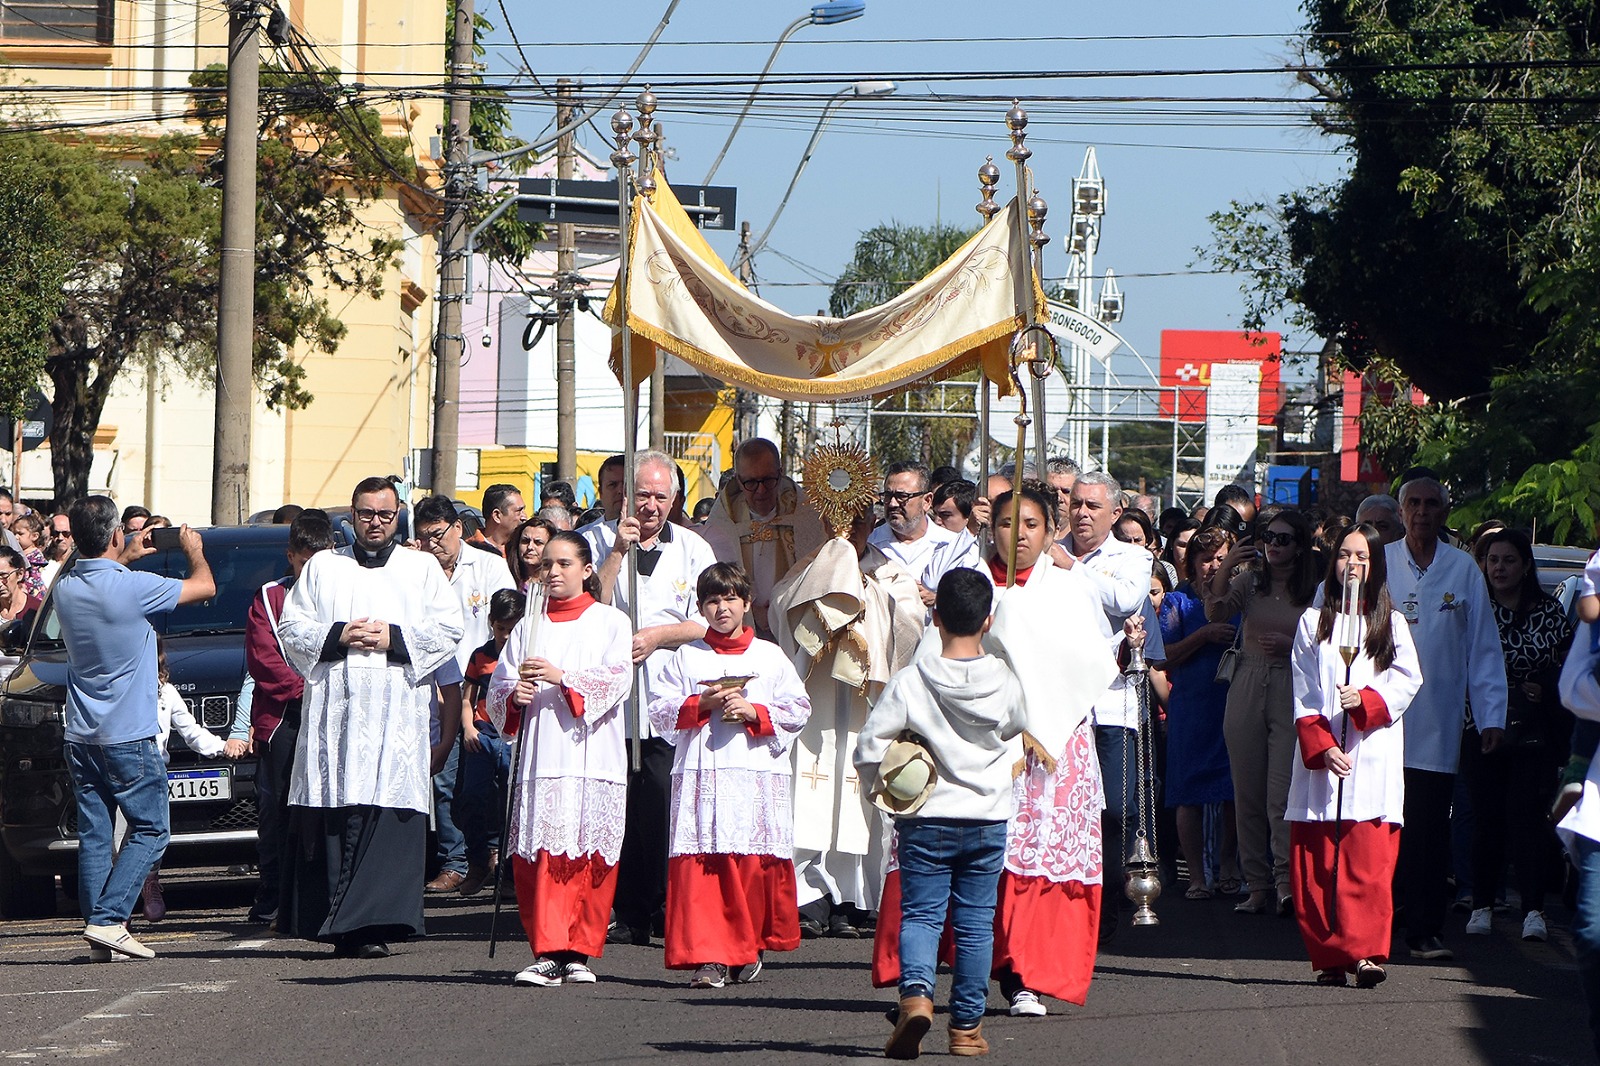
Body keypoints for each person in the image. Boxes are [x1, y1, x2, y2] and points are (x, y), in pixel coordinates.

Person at [277, 477, 465, 959]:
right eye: (366, 514)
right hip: (335, 716)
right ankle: (335, 926)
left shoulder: (421, 568)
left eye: (385, 514)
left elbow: (449, 627)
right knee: (337, 806)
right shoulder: (323, 566)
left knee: (384, 806)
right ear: (352, 515)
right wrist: (339, 634)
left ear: (398, 514)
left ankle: (373, 923)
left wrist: (393, 640)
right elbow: (292, 626)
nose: (375, 523)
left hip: (395, 715)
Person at [857, 568, 1027, 1059]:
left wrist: (885, 789)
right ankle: (967, 1030)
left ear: (935, 617)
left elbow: (871, 746)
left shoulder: (913, 680)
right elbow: (1018, 726)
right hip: (986, 816)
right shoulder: (1006, 680)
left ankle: (916, 997)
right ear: (988, 620)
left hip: (927, 816)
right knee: (976, 922)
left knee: (922, 916)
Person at [55, 496, 215, 960]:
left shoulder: (66, 587)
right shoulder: (132, 587)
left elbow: (85, 566)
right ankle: (109, 920)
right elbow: (204, 586)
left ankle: (97, 927)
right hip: (128, 734)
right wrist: (192, 549)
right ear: (113, 535)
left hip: (82, 733)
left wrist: (120, 553)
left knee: (96, 834)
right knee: (151, 830)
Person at [984, 484, 1118, 1017]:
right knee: (992, 860)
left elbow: (1090, 662)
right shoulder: (969, 584)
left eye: (1032, 525)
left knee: (1041, 859)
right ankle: (984, 964)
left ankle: (1030, 975)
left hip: (1053, 747)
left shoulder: (1067, 587)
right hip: (989, 743)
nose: (1018, 535)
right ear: (989, 529)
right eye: (1007, 524)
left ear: (1048, 531)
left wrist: (1045, 711)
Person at [646, 563, 811, 989]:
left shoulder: (770, 656)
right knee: (705, 868)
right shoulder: (687, 656)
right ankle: (711, 957)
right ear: (701, 607)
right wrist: (701, 704)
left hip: (753, 773)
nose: (722, 609)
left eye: (730, 600)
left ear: (745, 602)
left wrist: (755, 712)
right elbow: (658, 711)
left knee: (749, 866)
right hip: (702, 774)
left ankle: (748, 946)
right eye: (712, 601)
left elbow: (799, 708)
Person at [772, 504, 925, 939]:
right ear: (822, 521)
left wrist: (860, 596)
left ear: (872, 523)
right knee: (810, 793)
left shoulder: (890, 575)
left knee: (862, 797)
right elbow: (780, 614)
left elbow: (909, 623)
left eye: (856, 521)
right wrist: (827, 593)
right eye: (835, 520)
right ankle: (808, 894)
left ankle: (857, 899)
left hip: (866, 705)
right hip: (817, 700)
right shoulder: (805, 570)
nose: (845, 529)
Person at [487, 531, 633, 987]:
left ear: (587, 570)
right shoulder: (528, 626)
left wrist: (561, 677)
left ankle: (580, 952)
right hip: (543, 752)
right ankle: (548, 950)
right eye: (546, 564)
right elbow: (498, 691)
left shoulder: (611, 621)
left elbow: (616, 680)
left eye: (564, 563)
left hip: (594, 753)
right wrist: (515, 695)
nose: (552, 572)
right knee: (543, 852)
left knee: (592, 851)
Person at [586, 451, 719, 946]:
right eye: (643, 495)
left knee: (664, 798)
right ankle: (625, 908)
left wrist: (661, 634)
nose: (651, 506)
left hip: (669, 688)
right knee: (617, 800)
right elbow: (589, 606)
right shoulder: (594, 541)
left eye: (662, 497)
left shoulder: (692, 547)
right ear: (626, 495)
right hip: (613, 694)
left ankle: (666, 904)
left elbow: (710, 618)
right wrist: (617, 553)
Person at [1287, 522, 1421, 988]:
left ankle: (1366, 953)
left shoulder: (1392, 623)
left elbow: (1408, 680)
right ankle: (1328, 955)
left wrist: (1364, 701)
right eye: (1346, 555)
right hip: (1326, 759)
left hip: (1372, 753)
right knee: (1320, 863)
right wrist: (1322, 748)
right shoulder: (1312, 621)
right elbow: (1304, 693)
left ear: (1376, 565)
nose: (1353, 565)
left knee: (1368, 861)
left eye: (1363, 557)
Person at [1387, 477, 1505, 961]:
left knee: (1429, 833)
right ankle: (1376, 923)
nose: (1421, 512)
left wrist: (1491, 714)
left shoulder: (1462, 570)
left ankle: (1424, 929)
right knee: (1381, 829)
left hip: (1438, 724)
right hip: (1380, 725)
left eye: (1431, 504)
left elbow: (1483, 649)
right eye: (1413, 503)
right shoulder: (1379, 563)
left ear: (1443, 512)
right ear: (1401, 511)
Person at [1054, 470, 1161, 941]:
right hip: (1061, 703)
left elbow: (1123, 599)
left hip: (1112, 703)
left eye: (1093, 506)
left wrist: (1071, 567)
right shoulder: (1050, 550)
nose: (1081, 513)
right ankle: (1075, 905)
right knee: (1066, 807)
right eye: (1076, 503)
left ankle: (1113, 900)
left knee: (1115, 808)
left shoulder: (1130, 557)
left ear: (1115, 513)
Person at [1206, 508, 1319, 916]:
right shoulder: (1250, 581)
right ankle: (1256, 885)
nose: (1274, 545)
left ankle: (1286, 883)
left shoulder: (1314, 590)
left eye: (1284, 539)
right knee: (1247, 791)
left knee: (1282, 794)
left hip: (1292, 683)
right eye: (1269, 537)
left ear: (1301, 545)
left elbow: (1326, 644)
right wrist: (1229, 564)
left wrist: (1292, 646)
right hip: (1248, 681)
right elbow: (1215, 611)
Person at [1462, 529, 1573, 942]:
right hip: (1481, 727)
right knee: (1486, 820)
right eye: (1493, 561)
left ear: (1525, 566)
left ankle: (1534, 911)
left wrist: (1543, 684)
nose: (1500, 568)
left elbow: (1569, 668)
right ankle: (1482, 905)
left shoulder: (1549, 612)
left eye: (1509, 560)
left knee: (1527, 820)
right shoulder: (1475, 609)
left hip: (1533, 733)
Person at [412, 494, 516, 894]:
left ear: (458, 528)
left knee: (489, 784)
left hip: (482, 694)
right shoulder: (416, 570)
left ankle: (492, 855)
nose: (432, 545)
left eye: (438, 535)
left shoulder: (488, 565)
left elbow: (510, 623)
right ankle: (455, 861)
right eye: (423, 538)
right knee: (443, 779)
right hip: (435, 691)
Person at [244, 509, 334, 926]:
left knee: (329, 807)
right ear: (291, 556)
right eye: (304, 562)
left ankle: (323, 895)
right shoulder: (269, 596)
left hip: (334, 714)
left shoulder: (344, 592)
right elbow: (264, 661)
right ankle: (273, 894)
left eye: (320, 561)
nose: (312, 571)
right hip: (285, 717)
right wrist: (308, 692)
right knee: (277, 809)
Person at [1157, 525, 1240, 899]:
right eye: (1206, 559)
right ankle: (1196, 877)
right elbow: (1162, 655)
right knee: (1186, 792)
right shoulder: (1178, 602)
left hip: (1232, 702)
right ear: (1191, 563)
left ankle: (1228, 867)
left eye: (1222, 558)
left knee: (1233, 790)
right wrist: (1203, 636)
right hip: (1190, 705)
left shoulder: (1242, 599)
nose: (1213, 566)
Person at [139, 638, 239, 922]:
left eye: (154, 653)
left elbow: (192, 732)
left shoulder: (167, 693)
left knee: (156, 834)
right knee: (119, 838)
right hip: (124, 766)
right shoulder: (122, 688)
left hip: (154, 769)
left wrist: (224, 747)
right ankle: (119, 903)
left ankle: (150, 883)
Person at [701, 438, 827, 640]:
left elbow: (818, 571)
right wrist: (750, 609)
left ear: (780, 472)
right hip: (742, 624)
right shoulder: (724, 518)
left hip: (794, 622)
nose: (761, 491)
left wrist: (779, 608)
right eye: (751, 482)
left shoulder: (804, 512)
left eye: (768, 480)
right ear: (739, 481)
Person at [458, 588, 525, 897]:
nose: (507, 637)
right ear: (491, 624)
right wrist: (468, 727)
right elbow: (468, 695)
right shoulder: (481, 656)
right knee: (472, 798)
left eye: (514, 630)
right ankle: (478, 860)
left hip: (514, 738)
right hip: (483, 736)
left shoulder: (526, 657)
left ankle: (509, 872)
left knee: (511, 803)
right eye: (501, 630)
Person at [868, 461, 980, 612]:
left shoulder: (955, 545)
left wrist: (940, 600)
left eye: (902, 496)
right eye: (888, 496)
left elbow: (975, 601)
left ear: (927, 501)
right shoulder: (868, 545)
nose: (893, 504)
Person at [469, 484, 527, 560]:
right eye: (518, 511)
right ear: (497, 516)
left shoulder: (524, 548)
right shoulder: (469, 551)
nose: (524, 517)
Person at [508, 517, 557, 592]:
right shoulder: (506, 577)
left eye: (538, 542)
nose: (530, 547)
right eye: (525, 541)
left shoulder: (556, 584)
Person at [13, 512, 47, 600]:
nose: (16, 537)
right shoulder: (18, 553)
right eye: (14, 533)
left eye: (20, 534)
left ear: (35, 536)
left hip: (34, 596)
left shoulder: (35, 558)